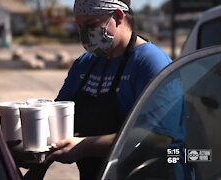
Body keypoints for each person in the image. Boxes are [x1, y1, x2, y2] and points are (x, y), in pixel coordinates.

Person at [23, 0, 179, 179]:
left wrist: (84, 146)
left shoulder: (150, 63)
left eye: (90, 25)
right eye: (80, 26)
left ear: (118, 16)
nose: (84, 34)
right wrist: (38, 162)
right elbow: (58, 118)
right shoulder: (85, 64)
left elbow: (159, 138)